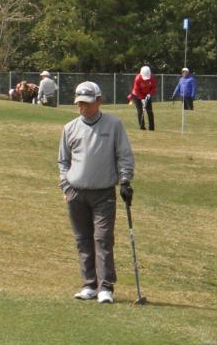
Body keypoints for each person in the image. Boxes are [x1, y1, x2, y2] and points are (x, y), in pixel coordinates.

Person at [57, 80, 135, 304]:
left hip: (103, 194)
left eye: (87, 103)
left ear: (99, 101)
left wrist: (126, 181)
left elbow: (124, 155)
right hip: (76, 193)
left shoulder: (113, 125)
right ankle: (89, 284)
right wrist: (66, 186)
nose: (83, 107)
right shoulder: (70, 128)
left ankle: (105, 287)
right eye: (80, 103)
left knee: (102, 239)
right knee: (83, 240)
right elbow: (63, 161)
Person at [128, 65, 158, 130]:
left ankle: (151, 128)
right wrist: (141, 99)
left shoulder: (152, 78)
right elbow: (136, 90)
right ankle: (142, 127)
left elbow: (154, 88)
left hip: (147, 95)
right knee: (140, 111)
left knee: (149, 111)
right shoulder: (137, 78)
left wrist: (149, 94)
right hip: (137, 95)